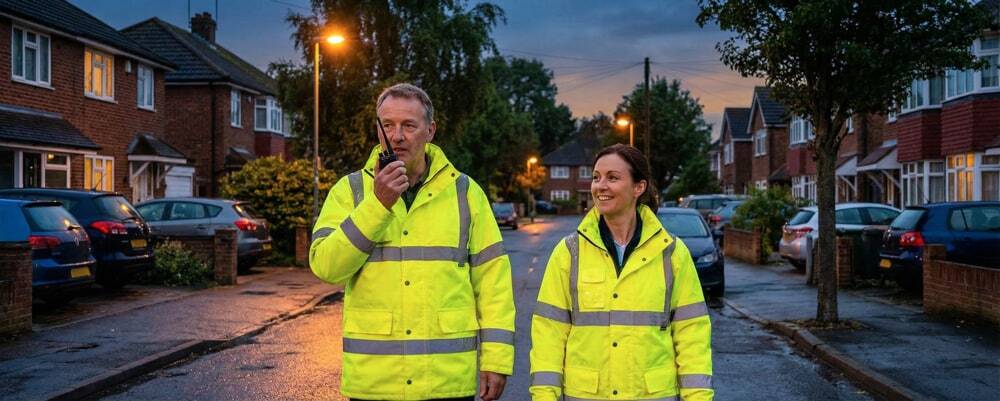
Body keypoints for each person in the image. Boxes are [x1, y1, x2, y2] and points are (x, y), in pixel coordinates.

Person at [310, 83, 515, 401]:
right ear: (377, 130)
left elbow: (494, 286)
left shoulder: (466, 193)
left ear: (430, 130)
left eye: (409, 125)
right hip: (375, 383)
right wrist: (376, 206)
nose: (397, 136)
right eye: (388, 125)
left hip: (446, 382)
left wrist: (497, 359)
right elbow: (326, 267)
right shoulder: (349, 191)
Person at [529, 144, 713, 401]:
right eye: (596, 177)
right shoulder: (569, 252)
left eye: (612, 177)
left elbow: (691, 333)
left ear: (639, 187)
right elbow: (549, 332)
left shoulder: (671, 253)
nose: (600, 186)